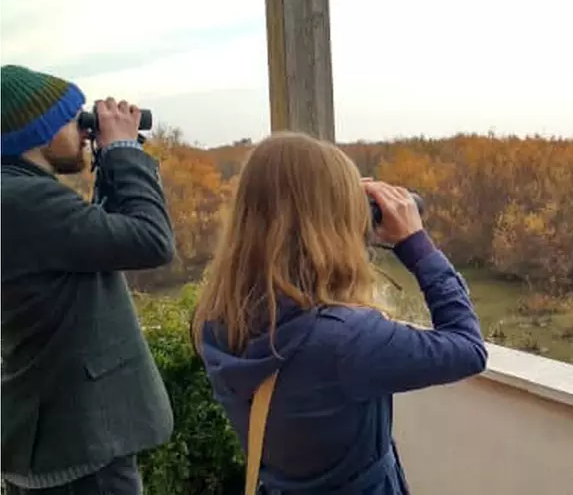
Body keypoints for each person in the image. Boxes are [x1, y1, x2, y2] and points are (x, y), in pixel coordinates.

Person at [193, 132, 488, 495]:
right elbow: (468, 348)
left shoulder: (216, 321)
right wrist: (416, 244)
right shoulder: (346, 340)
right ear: (330, 226)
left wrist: (337, 205)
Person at [1, 65, 176, 493]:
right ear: (38, 131)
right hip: (81, 447)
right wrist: (122, 151)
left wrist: (112, 163)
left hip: (59, 438)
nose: (85, 129)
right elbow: (151, 241)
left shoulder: (19, 198)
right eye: (71, 118)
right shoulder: (23, 200)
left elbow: (101, 240)